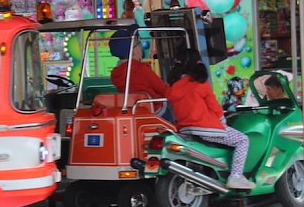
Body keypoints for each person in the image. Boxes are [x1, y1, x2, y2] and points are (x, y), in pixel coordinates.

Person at [167, 57, 255, 190]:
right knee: (242, 140)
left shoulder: (174, 88)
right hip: (205, 128)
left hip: (185, 129)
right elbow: (215, 107)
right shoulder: (201, 84)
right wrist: (222, 122)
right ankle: (236, 176)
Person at [108, 26, 170, 119]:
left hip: (135, 112)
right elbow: (164, 90)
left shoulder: (116, 74)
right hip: (155, 110)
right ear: (132, 50)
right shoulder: (141, 69)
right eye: (138, 43)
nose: (140, 46)